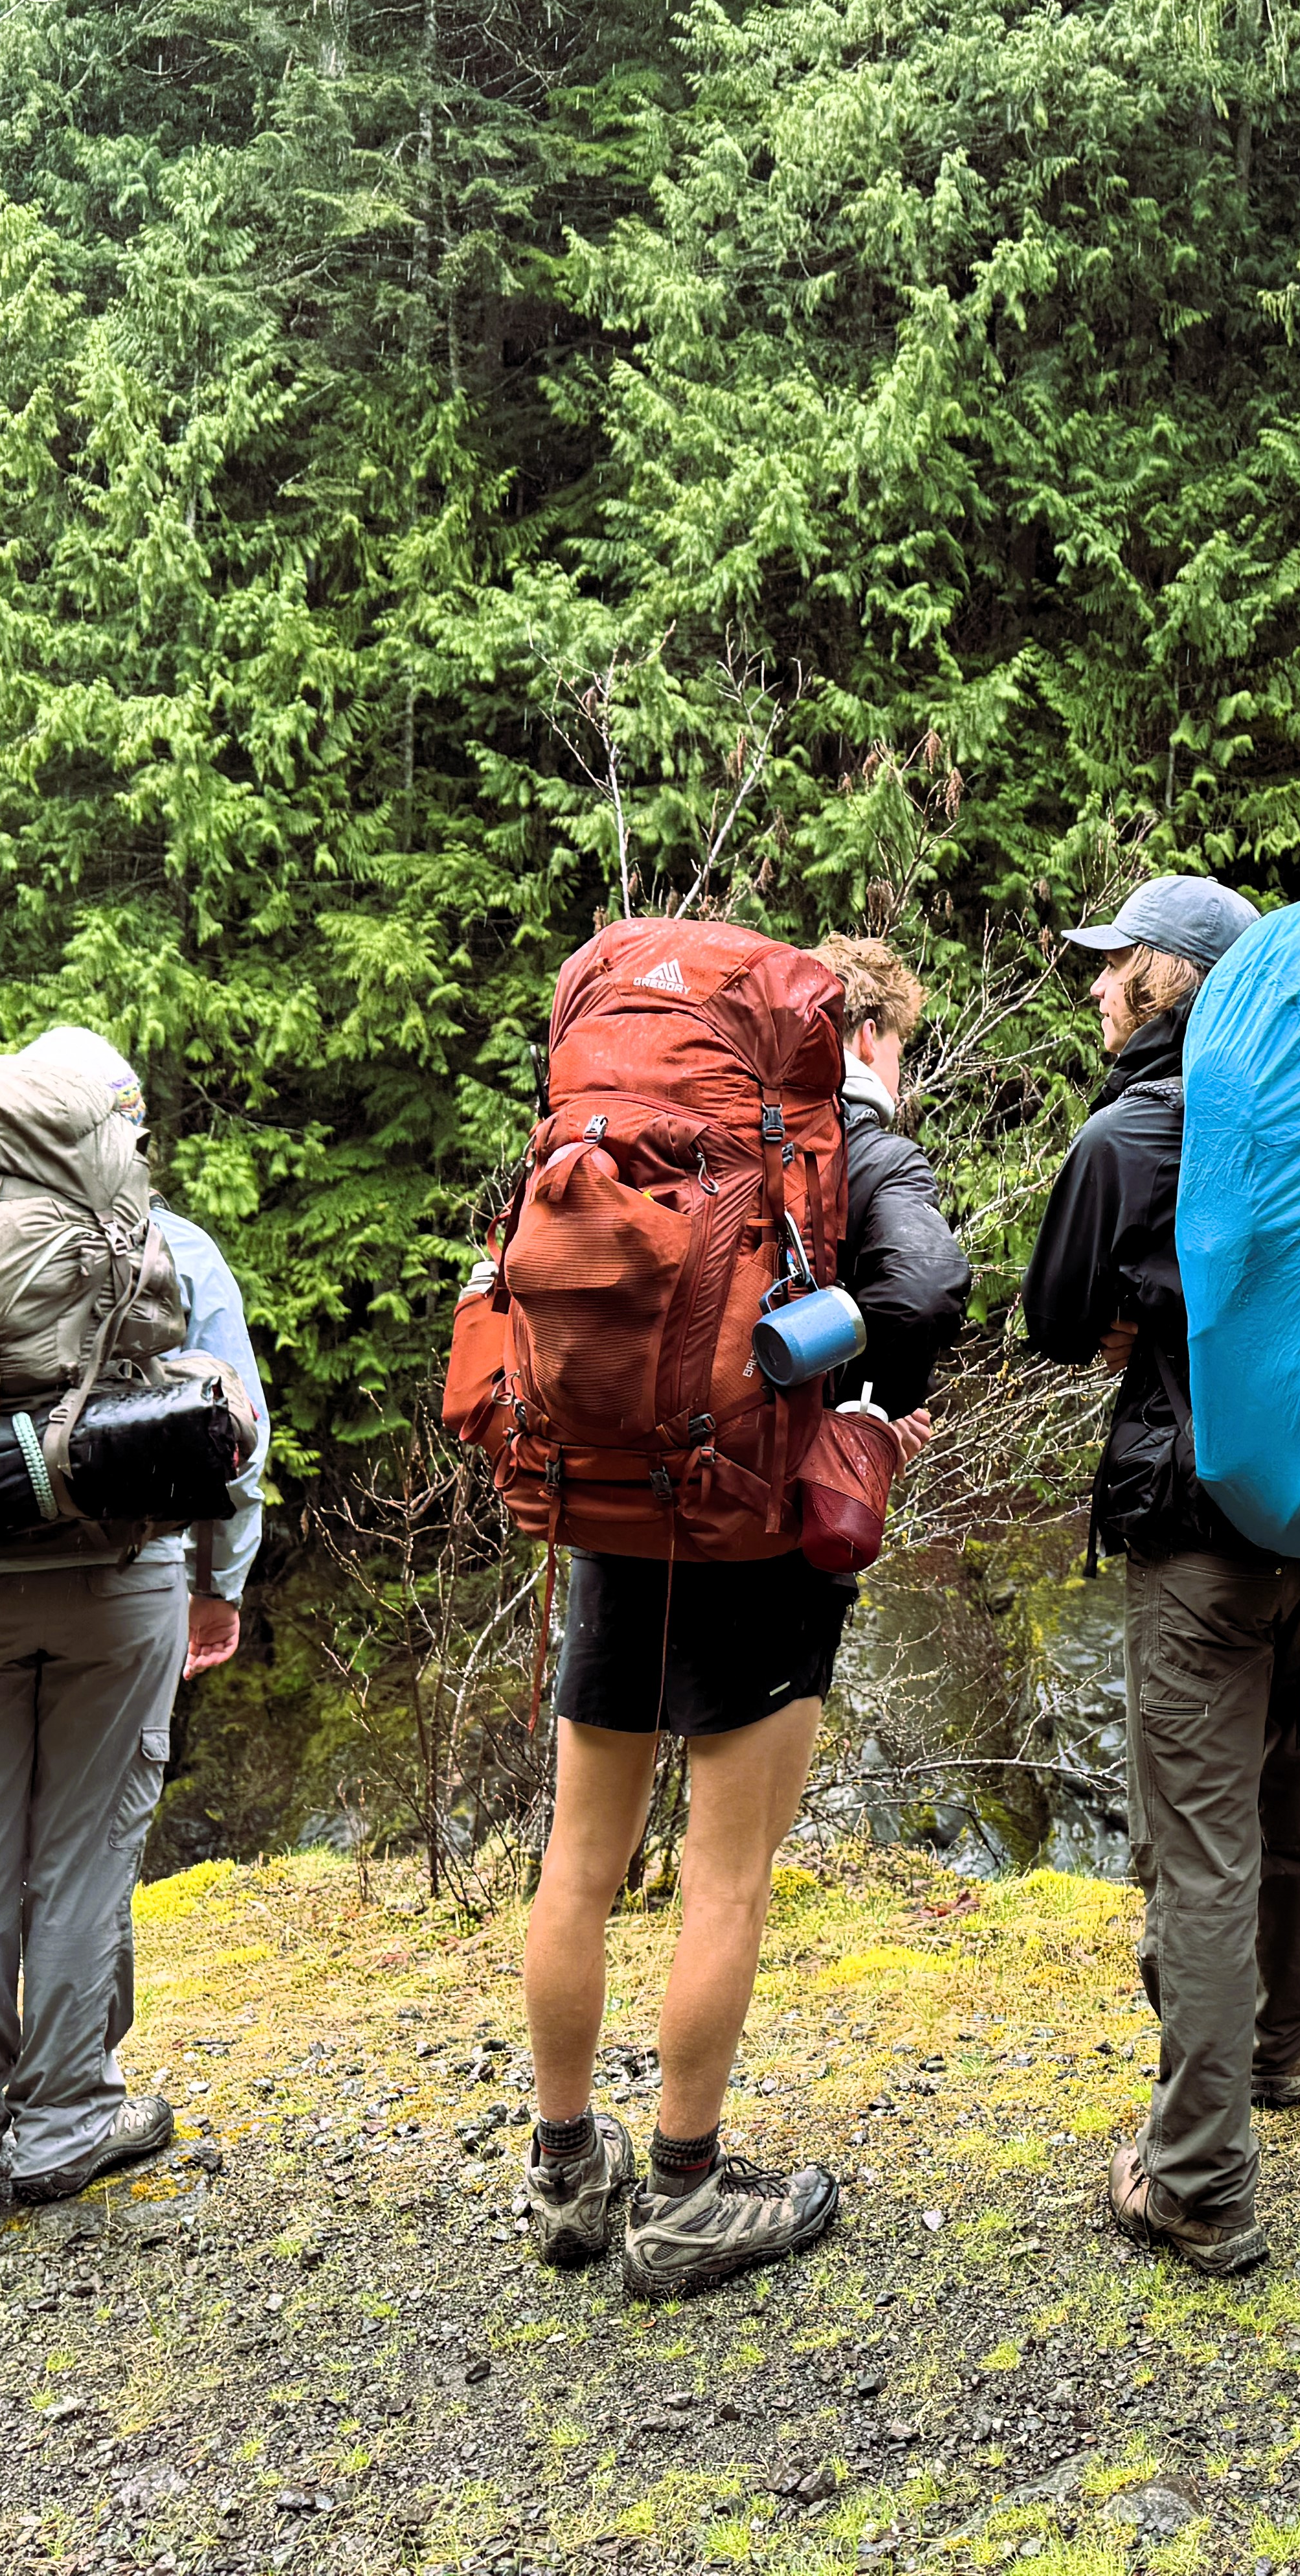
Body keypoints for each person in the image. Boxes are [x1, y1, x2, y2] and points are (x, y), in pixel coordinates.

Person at [515, 935, 968, 2296]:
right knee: (725, 1873)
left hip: (615, 1504)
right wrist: (840, 1386)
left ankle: (561, 2169)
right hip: (758, 1528)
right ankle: (689, 2190)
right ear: (864, 1043)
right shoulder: (849, 1148)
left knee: (580, 1861)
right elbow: (933, 1291)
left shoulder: (650, 1133)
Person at [1023, 872, 1300, 2278]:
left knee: (1202, 1849)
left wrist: (1131, 1318)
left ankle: (1198, 2179)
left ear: (1171, 981)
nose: (1095, 989)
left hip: (1198, 1530)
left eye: (1114, 967)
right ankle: (1291, 2042)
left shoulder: (1134, 1131)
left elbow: (1054, 1320)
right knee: (1298, 1800)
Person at [0, 1025, 266, 2211]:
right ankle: (64, 2124)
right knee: (82, 1850)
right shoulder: (175, 1245)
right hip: (121, 1581)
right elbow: (233, 1439)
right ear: (122, 1129)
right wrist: (222, 1582)